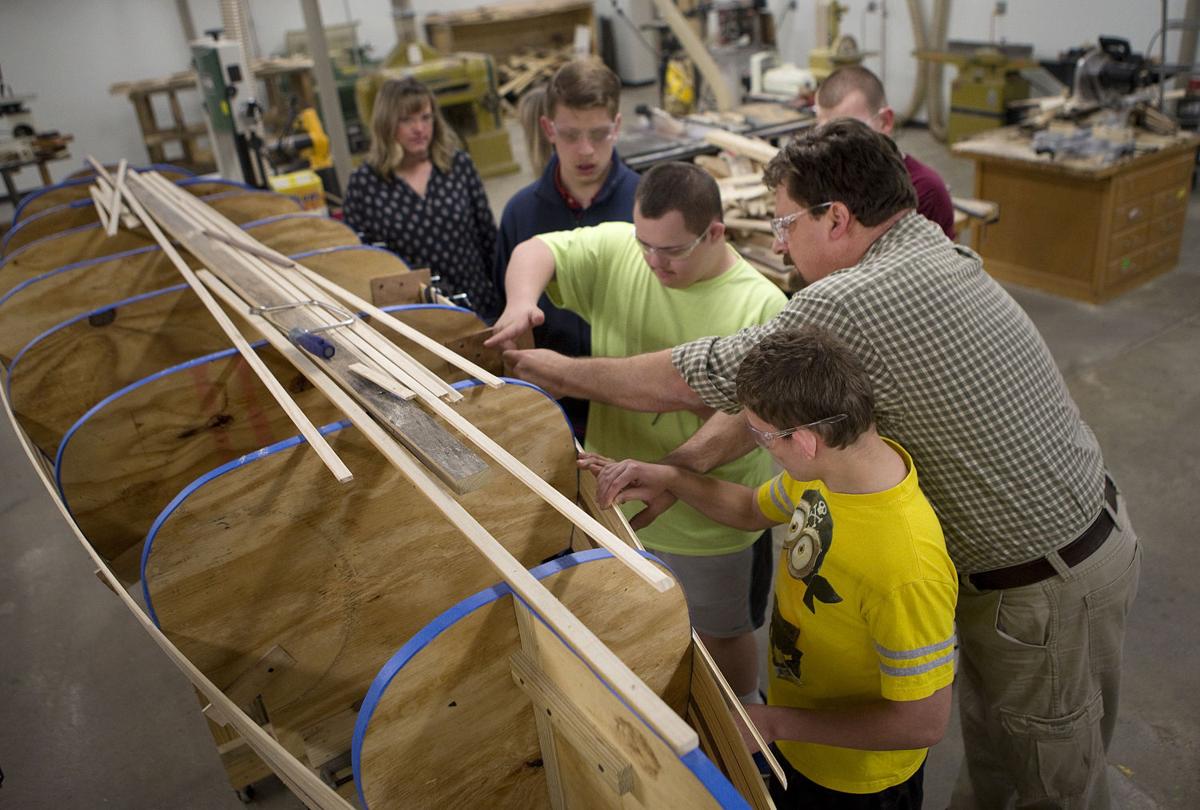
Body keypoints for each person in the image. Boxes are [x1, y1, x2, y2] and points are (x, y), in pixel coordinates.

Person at [503, 119, 1141, 809]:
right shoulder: (931, 246)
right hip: (1072, 544)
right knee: (1006, 759)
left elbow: (703, 377)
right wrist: (680, 466)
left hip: (1041, 585)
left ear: (836, 217)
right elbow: (767, 414)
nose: (779, 241)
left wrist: (564, 373)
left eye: (785, 223)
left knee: (1047, 783)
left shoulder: (850, 301)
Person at [582, 326, 957, 807]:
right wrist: (673, 477)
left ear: (802, 440)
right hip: (800, 736)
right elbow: (751, 509)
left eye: (759, 434)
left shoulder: (905, 565)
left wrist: (774, 722)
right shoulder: (832, 475)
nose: (760, 444)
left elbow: (923, 721)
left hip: (855, 781)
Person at [486, 162, 787, 700]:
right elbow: (535, 250)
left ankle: (747, 732)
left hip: (713, 526)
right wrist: (521, 303)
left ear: (715, 232)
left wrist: (670, 473)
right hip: (617, 505)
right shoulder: (626, 247)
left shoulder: (762, 305)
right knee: (639, 631)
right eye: (644, 243)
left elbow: (738, 424)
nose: (652, 261)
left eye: (670, 251)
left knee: (724, 638)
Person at [491, 58, 640, 438]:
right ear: (548, 129)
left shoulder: (647, 206)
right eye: (571, 135)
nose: (586, 150)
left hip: (633, 406)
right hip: (548, 408)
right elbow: (501, 309)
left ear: (618, 127)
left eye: (599, 133)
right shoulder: (520, 213)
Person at [342, 77, 500, 315]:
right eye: (406, 120)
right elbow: (363, 263)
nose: (419, 128)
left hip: (477, 304)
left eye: (426, 118)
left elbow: (489, 239)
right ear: (386, 125)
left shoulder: (457, 165)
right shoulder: (365, 184)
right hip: (414, 314)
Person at [815, 65, 956, 239]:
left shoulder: (925, 192)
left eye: (847, 135)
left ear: (885, 122)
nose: (836, 150)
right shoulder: (825, 180)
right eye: (826, 136)